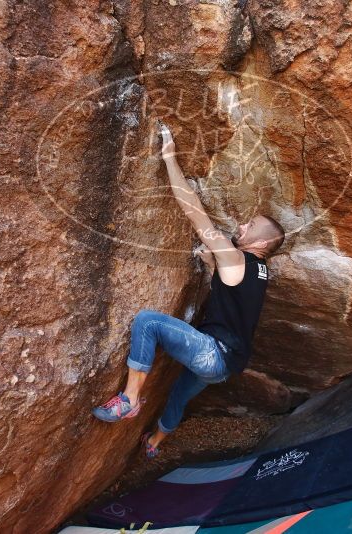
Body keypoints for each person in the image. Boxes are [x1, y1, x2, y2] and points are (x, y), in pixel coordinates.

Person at [91, 121, 286, 459]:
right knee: (179, 396)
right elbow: (234, 294)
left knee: (148, 322)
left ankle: (130, 400)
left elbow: (194, 212)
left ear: (264, 242)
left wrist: (169, 158)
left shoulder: (237, 259)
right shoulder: (260, 271)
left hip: (212, 355)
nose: (241, 225)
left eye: (250, 225)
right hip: (224, 367)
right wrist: (211, 263)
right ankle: (154, 445)